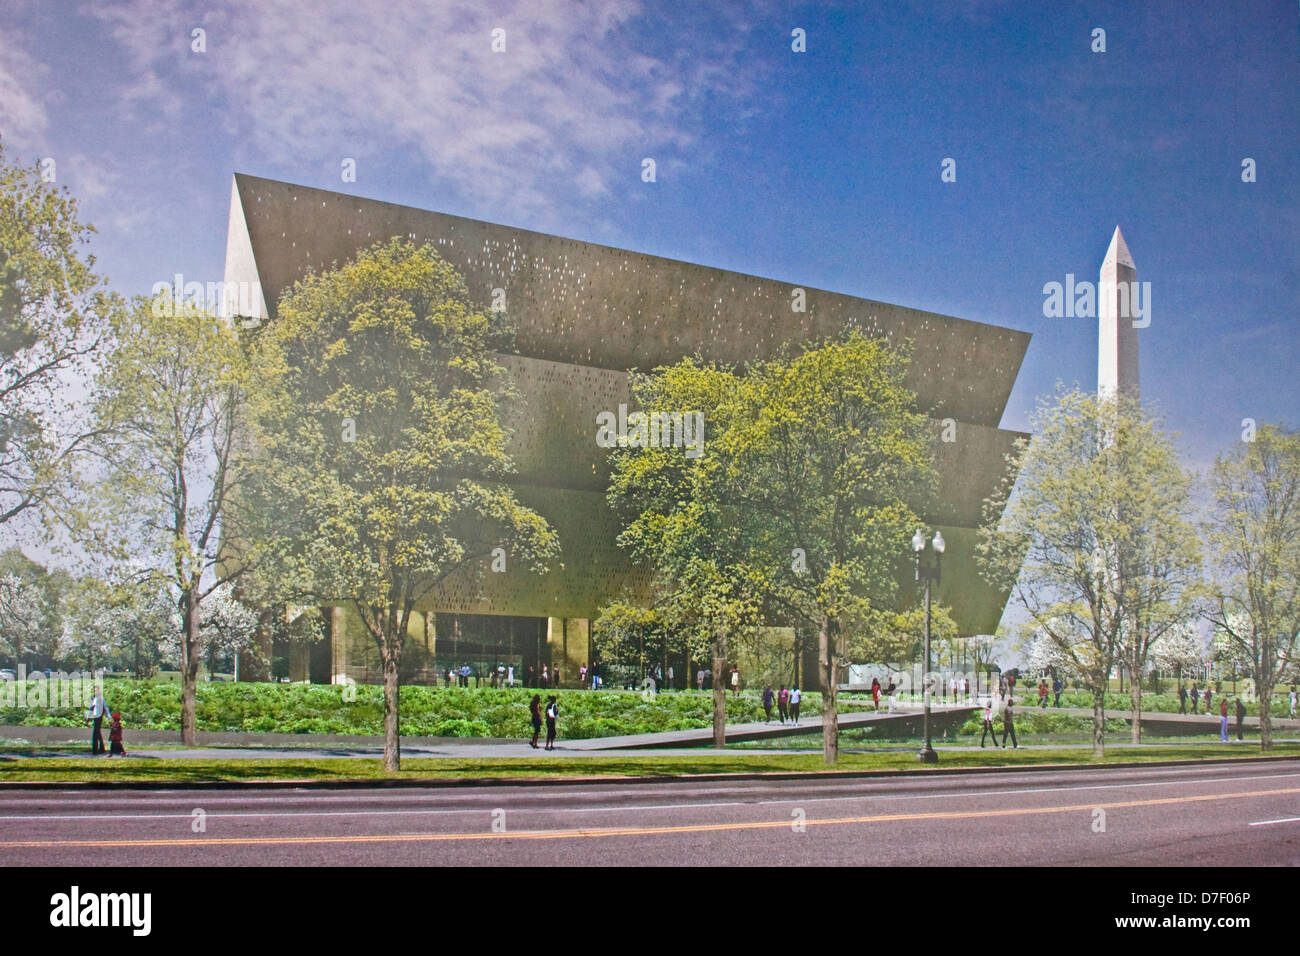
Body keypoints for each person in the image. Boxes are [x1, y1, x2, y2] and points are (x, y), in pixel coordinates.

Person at [85, 685, 109, 756]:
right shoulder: (93, 698)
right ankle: (102, 749)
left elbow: (105, 707)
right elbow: (91, 708)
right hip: (95, 716)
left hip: (99, 716)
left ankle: (95, 750)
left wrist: (109, 716)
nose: (95, 692)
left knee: (95, 733)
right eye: (94, 690)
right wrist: (88, 717)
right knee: (97, 732)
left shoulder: (101, 698)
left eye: (96, 690)